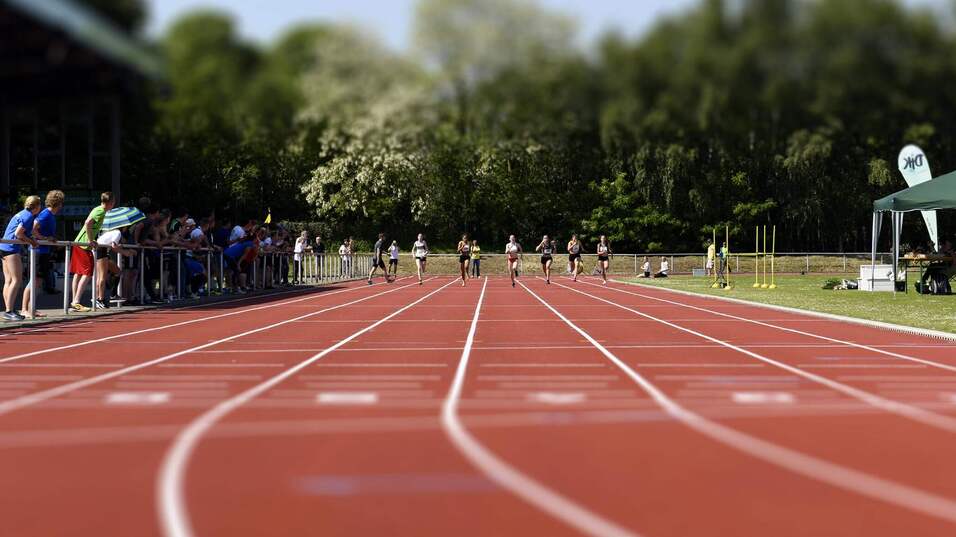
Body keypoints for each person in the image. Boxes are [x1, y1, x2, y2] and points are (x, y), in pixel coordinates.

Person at [70, 192, 115, 312]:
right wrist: (90, 240)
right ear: (110, 203)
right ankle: (76, 301)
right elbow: (87, 223)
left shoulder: (99, 209)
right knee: (87, 272)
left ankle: (74, 301)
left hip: (79, 243)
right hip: (84, 245)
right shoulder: (100, 211)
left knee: (78, 273)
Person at [1, 196, 41, 321]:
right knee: (16, 280)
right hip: (11, 248)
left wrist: (31, 238)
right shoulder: (28, 216)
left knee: (8, 280)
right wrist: (31, 242)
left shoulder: (21, 214)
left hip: (3, 247)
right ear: (37, 207)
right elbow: (18, 233)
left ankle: (9, 309)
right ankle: (9, 310)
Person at [30, 190, 65, 304]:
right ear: (59, 203)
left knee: (38, 281)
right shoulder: (46, 214)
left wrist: (50, 238)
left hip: (43, 251)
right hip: (39, 251)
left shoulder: (50, 215)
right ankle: (27, 309)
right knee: (35, 281)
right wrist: (46, 239)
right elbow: (33, 230)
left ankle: (31, 308)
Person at [94, 225, 136, 308]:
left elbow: (113, 245)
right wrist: (125, 252)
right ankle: (99, 299)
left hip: (103, 251)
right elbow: (114, 247)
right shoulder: (118, 233)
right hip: (100, 251)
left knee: (117, 272)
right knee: (101, 277)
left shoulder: (113, 232)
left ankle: (112, 294)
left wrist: (121, 248)